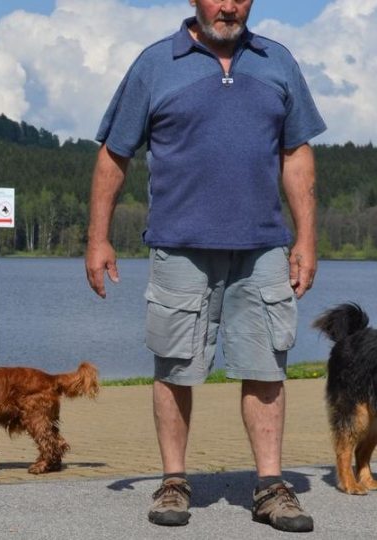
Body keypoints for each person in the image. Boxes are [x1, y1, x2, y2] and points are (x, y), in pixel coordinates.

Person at [85, 0, 324, 533]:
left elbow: (297, 153)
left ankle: (270, 486)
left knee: (267, 367)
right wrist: (97, 238)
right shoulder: (154, 64)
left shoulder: (277, 61)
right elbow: (113, 155)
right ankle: (173, 480)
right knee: (174, 366)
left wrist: (306, 237)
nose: (229, 5)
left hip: (263, 247)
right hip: (180, 246)